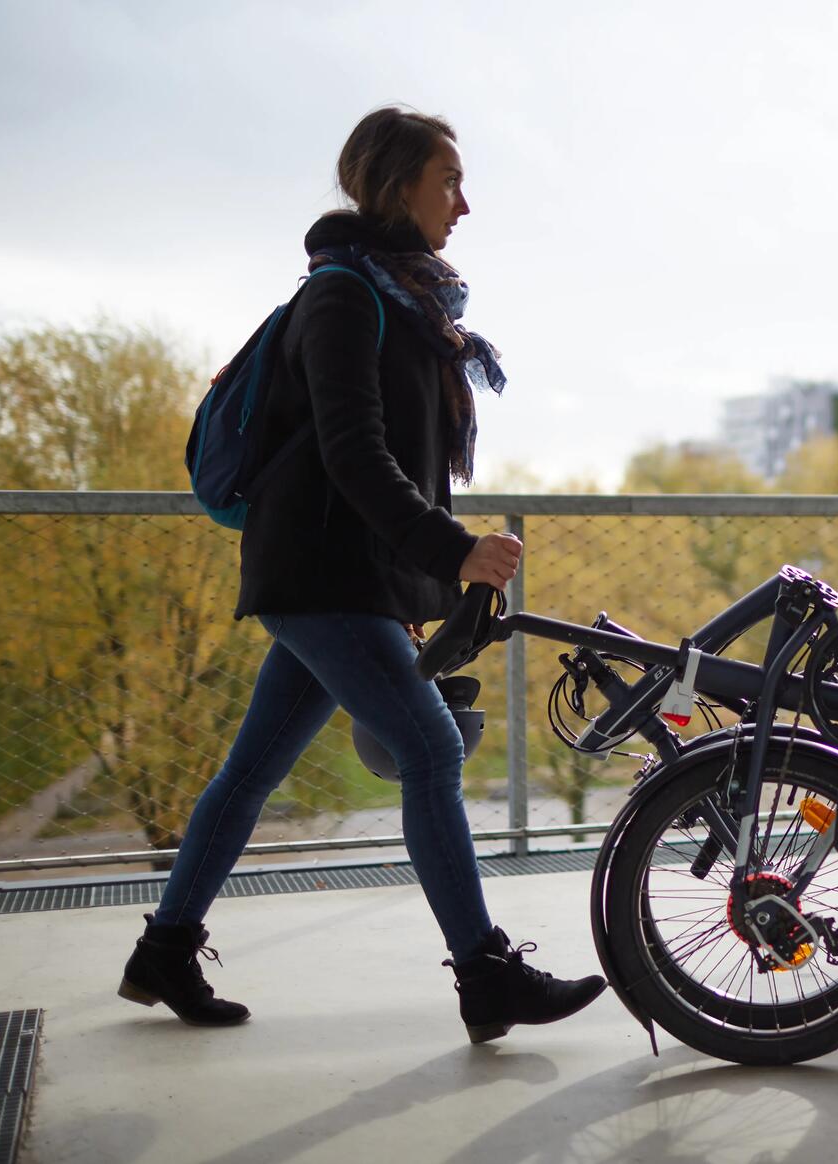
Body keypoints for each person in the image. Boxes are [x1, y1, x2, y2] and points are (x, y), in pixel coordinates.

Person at [117, 106, 606, 1044]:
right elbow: (352, 453)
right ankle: (485, 974)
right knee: (428, 751)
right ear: (397, 185)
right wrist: (449, 549)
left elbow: (390, 459)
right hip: (320, 570)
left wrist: (426, 558)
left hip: (341, 573)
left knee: (252, 770)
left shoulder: (404, 299)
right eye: (449, 181)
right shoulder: (343, 297)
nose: (465, 203)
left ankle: (164, 951)